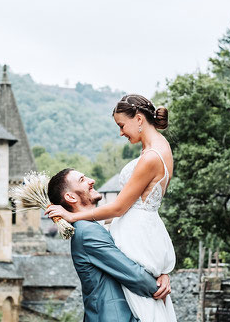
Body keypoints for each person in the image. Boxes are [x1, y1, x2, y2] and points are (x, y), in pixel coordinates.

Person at [46, 94, 177, 321]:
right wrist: (160, 275)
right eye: (82, 179)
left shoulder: (150, 157)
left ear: (138, 119)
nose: (121, 133)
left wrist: (71, 215)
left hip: (138, 235)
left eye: (121, 125)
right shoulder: (158, 148)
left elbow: (117, 208)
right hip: (144, 235)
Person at [46, 168, 172, 321]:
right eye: (82, 180)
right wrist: (158, 286)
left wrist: (162, 273)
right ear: (70, 197)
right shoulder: (87, 231)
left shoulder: (91, 225)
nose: (91, 180)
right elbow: (133, 275)